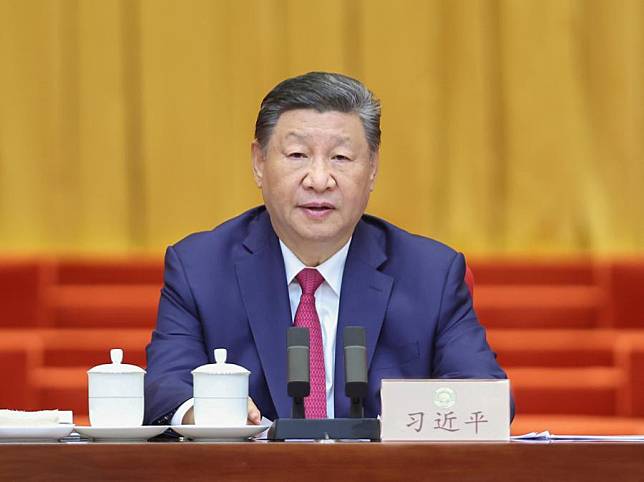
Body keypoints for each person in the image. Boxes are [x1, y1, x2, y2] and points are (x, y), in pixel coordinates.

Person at [144, 72, 512, 426]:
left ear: (372, 169)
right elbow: (165, 385)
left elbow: (487, 396)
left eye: (340, 158)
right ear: (259, 163)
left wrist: (411, 420)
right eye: (297, 155)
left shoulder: (431, 273)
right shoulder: (200, 268)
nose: (319, 180)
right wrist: (206, 411)